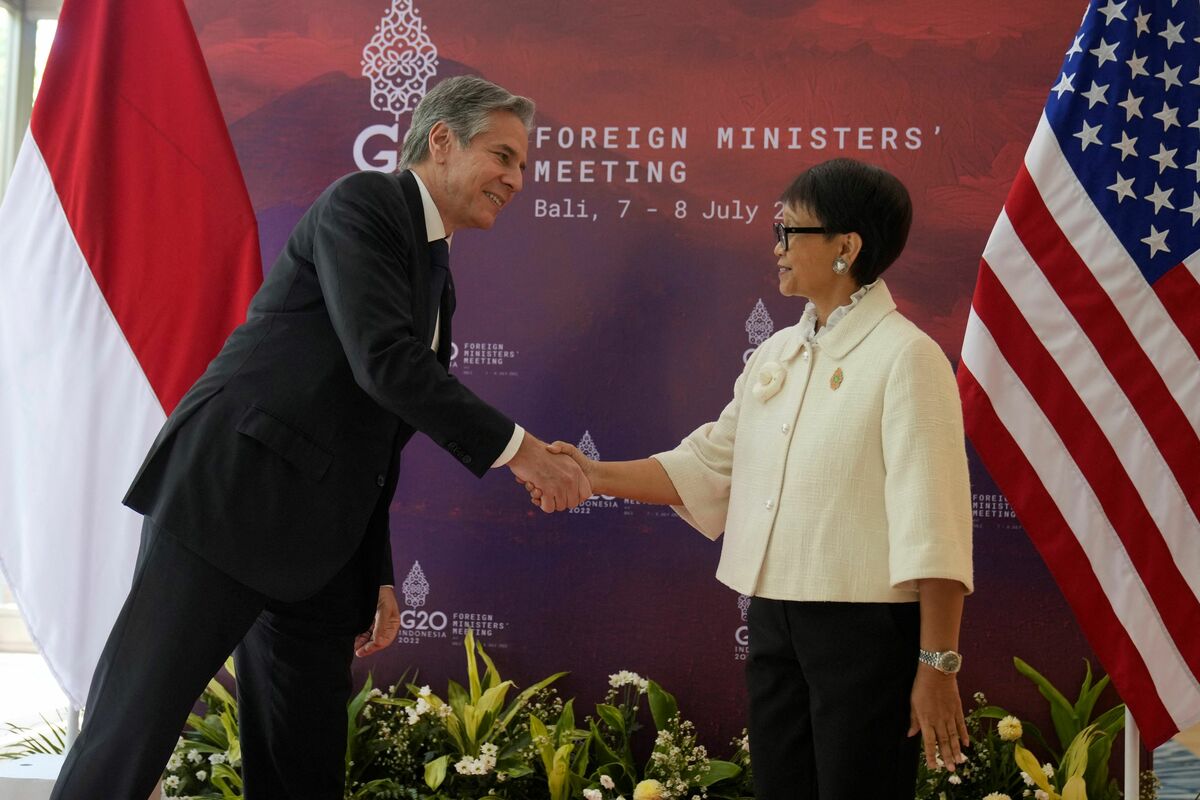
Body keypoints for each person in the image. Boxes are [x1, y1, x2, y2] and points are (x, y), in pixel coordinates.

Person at [51, 75, 590, 800]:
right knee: (132, 730)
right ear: (441, 141)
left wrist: (375, 567)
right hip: (229, 499)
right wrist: (523, 452)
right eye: (503, 156)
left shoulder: (438, 274)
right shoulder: (362, 204)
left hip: (319, 547)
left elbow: (376, 431)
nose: (516, 179)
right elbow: (385, 363)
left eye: (522, 165)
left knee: (304, 762)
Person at [532, 158, 973, 799]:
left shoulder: (908, 357)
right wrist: (592, 475)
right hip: (774, 618)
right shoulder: (778, 353)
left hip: (866, 631)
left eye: (790, 231)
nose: (776, 247)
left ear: (846, 246)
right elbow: (708, 463)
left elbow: (934, 522)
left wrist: (937, 665)